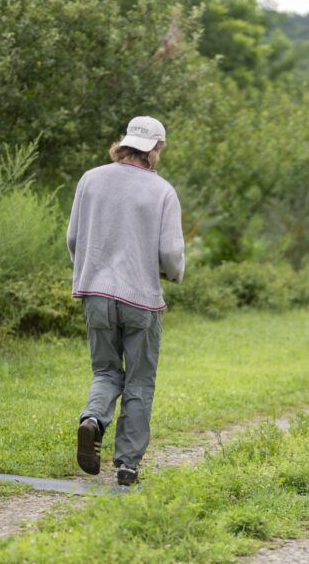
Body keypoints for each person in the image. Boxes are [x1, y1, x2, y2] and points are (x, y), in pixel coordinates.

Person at [67, 115, 185, 486]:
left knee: (105, 371)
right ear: (155, 150)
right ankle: (127, 464)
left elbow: (73, 238)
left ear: (126, 143)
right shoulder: (162, 191)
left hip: (96, 292)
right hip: (141, 299)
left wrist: (88, 269)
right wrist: (172, 272)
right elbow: (169, 252)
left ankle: (92, 420)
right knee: (139, 381)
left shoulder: (91, 179)